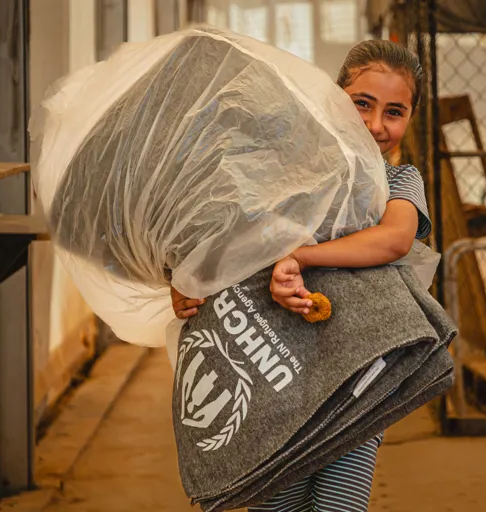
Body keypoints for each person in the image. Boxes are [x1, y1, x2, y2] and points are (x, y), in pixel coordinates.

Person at [170, 40, 432, 512]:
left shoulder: (400, 183)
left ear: (410, 117)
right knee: (277, 504)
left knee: (339, 505)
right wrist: (189, 277)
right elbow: (230, 228)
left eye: (394, 112)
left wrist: (303, 257)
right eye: (363, 104)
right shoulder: (292, 174)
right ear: (336, 98)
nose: (376, 125)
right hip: (274, 371)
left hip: (357, 378)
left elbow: (394, 238)